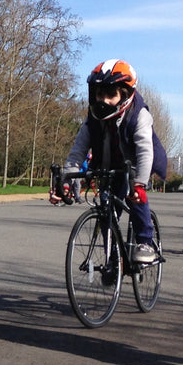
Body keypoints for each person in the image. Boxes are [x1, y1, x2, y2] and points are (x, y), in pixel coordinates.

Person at [56, 59, 166, 264]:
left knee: (135, 197)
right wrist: (66, 179)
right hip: (108, 165)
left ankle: (145, 242)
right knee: (107, 208)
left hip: (135, 164)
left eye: (111, 95)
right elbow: (78, 151)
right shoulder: (93, 118)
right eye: (99, 94)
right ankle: (112, 257)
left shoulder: (139, 115)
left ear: (125, 94)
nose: (103, 100)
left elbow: (144, 150)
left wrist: (140, 184)